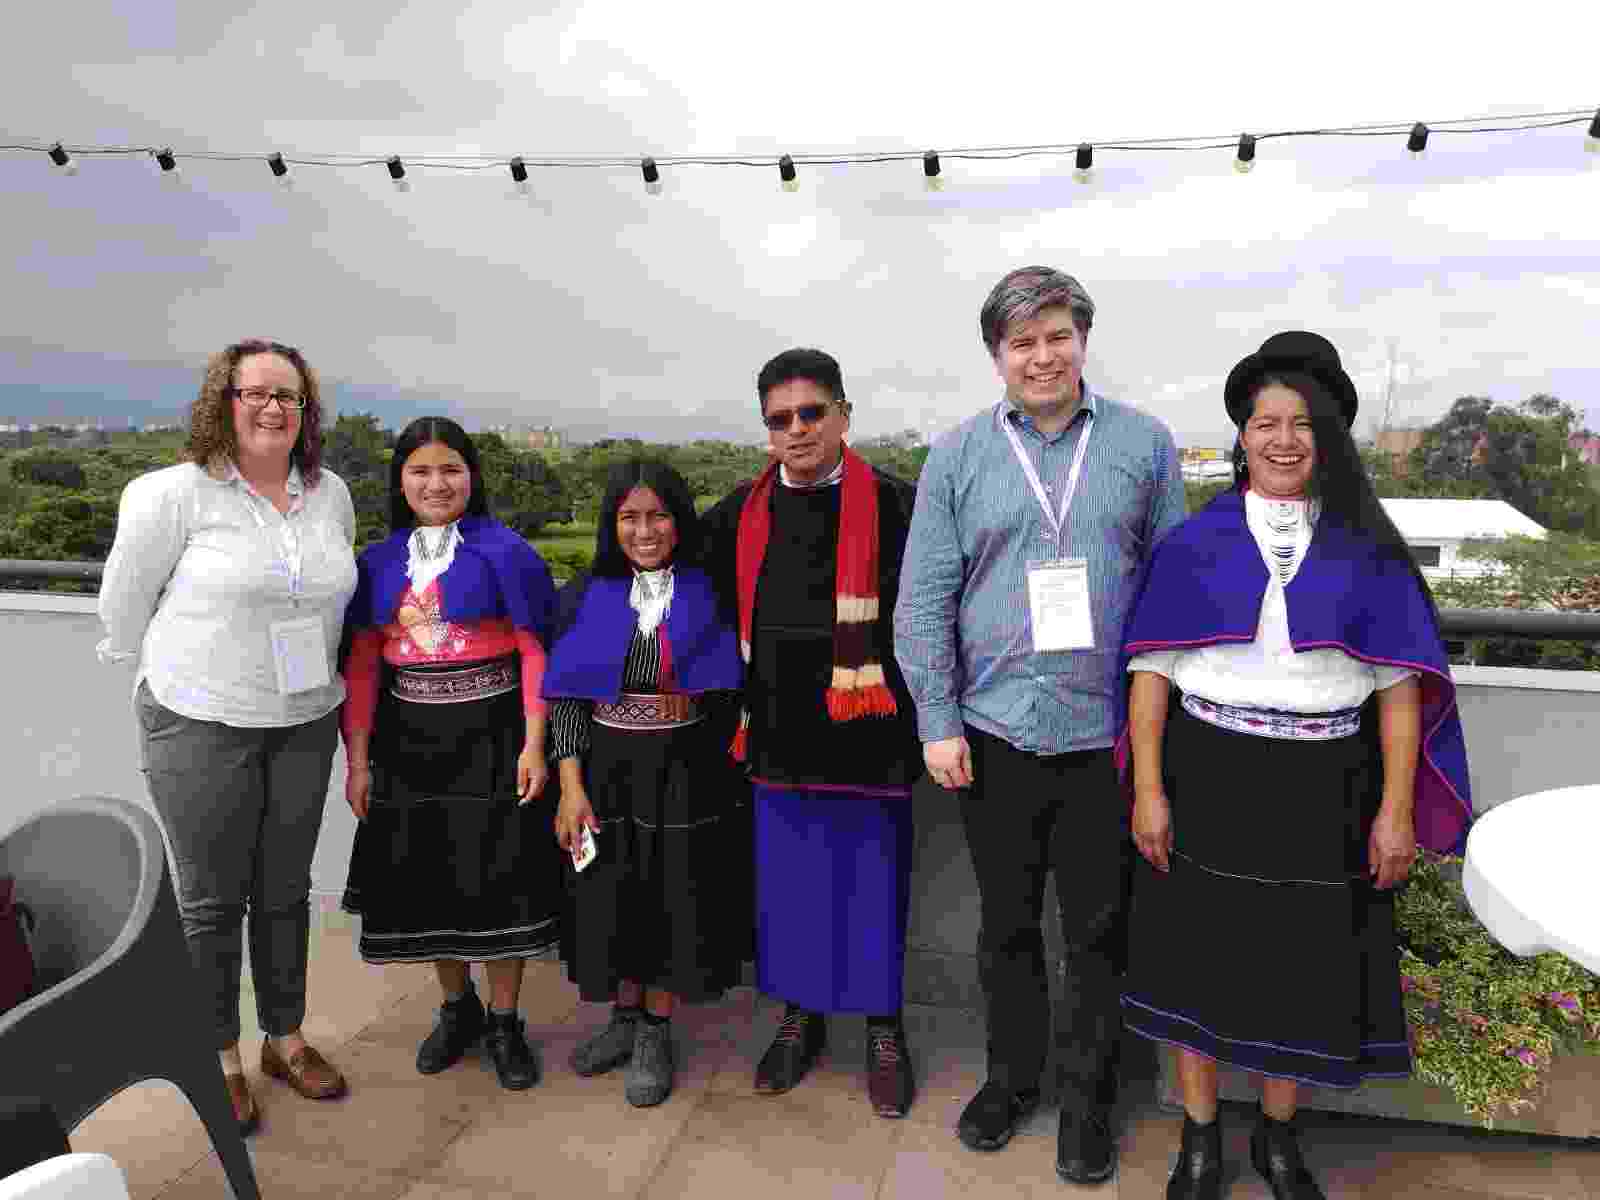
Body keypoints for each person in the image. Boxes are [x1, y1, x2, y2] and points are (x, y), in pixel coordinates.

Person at [1116, 331, 1473, 1200]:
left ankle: (1279, 1140)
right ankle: (1200, 1143)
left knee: (1303, 978)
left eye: (1303, 424)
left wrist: (1394, 810)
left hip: (1326, 793)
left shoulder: (1369, 551)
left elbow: (1397, 690)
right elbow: (1151, 675)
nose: (1283, 440)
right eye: (1265, 422)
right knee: (1194, 969)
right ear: (1241, 435)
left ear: (1330, 437)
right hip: (1208, 779)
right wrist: (1150, 790)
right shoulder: (1194, 544)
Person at [895, 267, 1185, 1184]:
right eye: (1021, 342)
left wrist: (1160, 739)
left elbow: (1177, 595)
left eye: (1056, 335)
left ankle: (1089, 1099)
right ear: (997, 357)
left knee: (1098, 931)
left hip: (1106, 740)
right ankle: (1011, 1079)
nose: (1042, 355)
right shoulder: (958, 455)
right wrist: (937, 722)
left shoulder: (1145, 443)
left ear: (1082, 340)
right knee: (1007, 928)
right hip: (994, 736)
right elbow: (924, 599)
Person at [98, 339, 359, 1132]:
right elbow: (123, 609)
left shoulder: (329, 494)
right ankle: (217, 1055)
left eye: (290, 397)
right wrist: (165, 686)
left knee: (284, 892)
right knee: (211, 903)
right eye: (257, 394)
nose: (274, 408)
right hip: (198, 718)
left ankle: (284, 1035)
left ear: (306, 413)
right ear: (225, 401)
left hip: (304, 719)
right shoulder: (169, 495)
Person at [700, 347, 922, 1118]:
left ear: (843, 416)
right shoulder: (736, 515)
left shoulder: (899, 505)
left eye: (811, 413)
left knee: (874, 893)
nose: (796, 429)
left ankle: (885, 1030)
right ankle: (800, 1020)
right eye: (779, 419)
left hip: (875, 741)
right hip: (778, 741)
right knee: (790, 895)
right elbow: (675, 589)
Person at [339, 416, 561, 1091]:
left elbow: (534, 650)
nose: (437, 484)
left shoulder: (508, 552)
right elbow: (362, 666)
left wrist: (533, 743)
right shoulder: (378, 561)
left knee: (499, 880)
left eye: (451, 469)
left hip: (493, 738)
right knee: (433, 879)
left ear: (472, 476)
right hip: (409, 743)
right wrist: (358, 759)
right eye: (421, 471)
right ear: (399, 480)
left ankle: (504, 1019)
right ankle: (456, 1007)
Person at [543, 459, 746, 1108]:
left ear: (679, 519)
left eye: (658, 514)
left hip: (684, 775)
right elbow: (568, 697)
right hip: (604, 771)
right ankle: (623, 1019)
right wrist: (571, 787)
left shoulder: (710, 591)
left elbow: (727, 694)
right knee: (615, 894)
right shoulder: (586, 594)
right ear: (613, 524)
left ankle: (657, 1029)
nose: (645, 529)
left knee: (670, 898)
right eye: (629, 517)